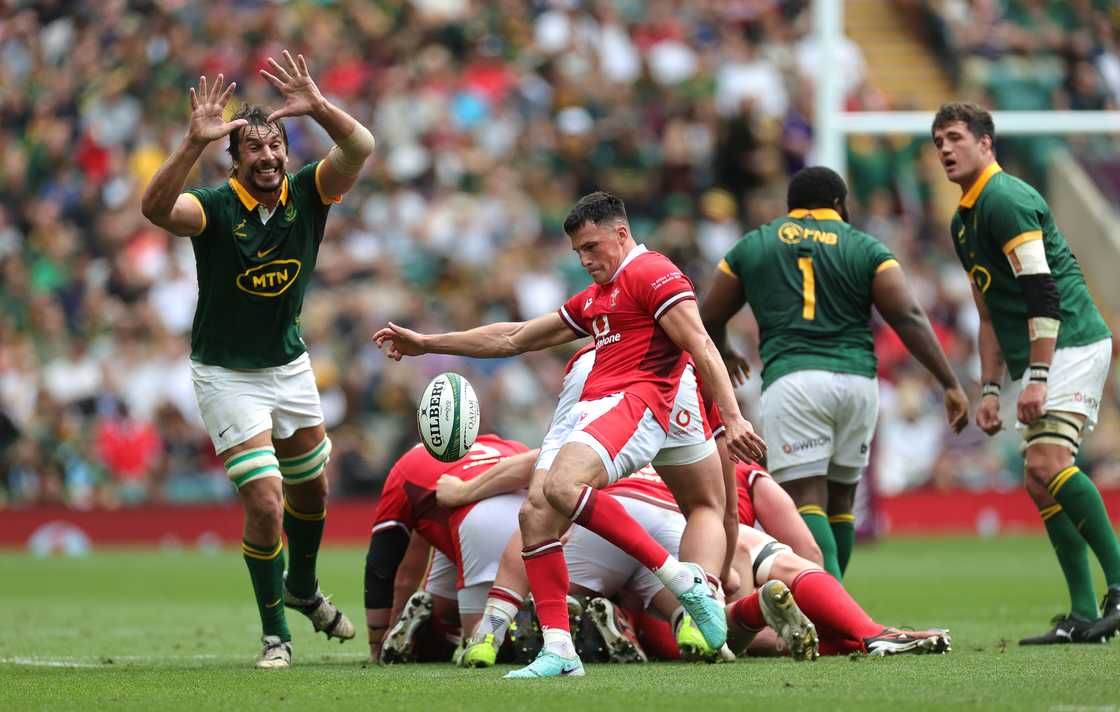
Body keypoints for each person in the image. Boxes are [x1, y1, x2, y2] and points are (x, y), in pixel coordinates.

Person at [375, 191, 767, 678]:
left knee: (561, 490)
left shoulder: (652, 272)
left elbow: (701, 343)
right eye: (578, 252)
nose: (584, 260)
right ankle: (560, 649)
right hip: (606, 403)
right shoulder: (597, 297)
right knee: (535, 514)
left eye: (591, 247)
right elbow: (512, 337)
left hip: (638, 400)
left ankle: (682, 580)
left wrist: (733, 416)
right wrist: (426, 343)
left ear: (621, 234)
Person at [140, 52, 376, 668]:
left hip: (288, 365)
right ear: (235, 158)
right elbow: (156, 209)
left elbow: (361, 148)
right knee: (267, 501)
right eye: (255, 149)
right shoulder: (215, 207)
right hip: (226, 372)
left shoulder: (309, 192)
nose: (268, 157)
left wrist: (319, 105)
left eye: (276, 146)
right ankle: (277, 634)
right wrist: (191, 142)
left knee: (314, 491)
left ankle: (302, 585)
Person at [700, 166, 969, 580]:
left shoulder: (755, 244)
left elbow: (709, 313)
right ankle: (838, 604)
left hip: (794, 379)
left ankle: (832, 606)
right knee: (842, 501)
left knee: (807, 498)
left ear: (792, 206)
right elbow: (908, 315)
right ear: (840, 205)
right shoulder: (865, 246)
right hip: (860, 382)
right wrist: (949, 382)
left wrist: (725, 350)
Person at [931, 102, 1120, 645]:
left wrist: (1036, 376)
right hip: (1041, 354)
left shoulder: (1006, 198)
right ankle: (1085, 612)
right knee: (1039, 480)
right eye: (938, 141)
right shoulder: (963, 220)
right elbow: (988, 311)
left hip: (1072, 341)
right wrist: (991, 388)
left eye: (955, 137)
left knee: (1047, 461)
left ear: (986, 144)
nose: (944, 148)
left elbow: (1042, 290)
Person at [363, 434, 535, 663]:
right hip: (528, 515)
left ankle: (432, 632)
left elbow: (386, 565)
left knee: (477, 631)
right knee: (446, 604)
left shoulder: (407, 466)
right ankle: (538, 620)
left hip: (473, 520)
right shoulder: (510, 446)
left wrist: (379, 638)